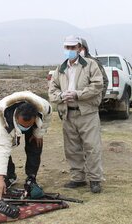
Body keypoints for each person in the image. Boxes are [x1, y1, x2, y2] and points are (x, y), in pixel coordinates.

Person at [48, 35, 104, 193]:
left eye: (73, 47)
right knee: (72, 148)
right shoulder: (61, 68)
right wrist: (60, 96)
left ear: (79, 48)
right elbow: (52, 90)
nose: (70, 50)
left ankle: (95, 179)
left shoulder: (91, 65)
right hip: (68, 113)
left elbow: (97, 85)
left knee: (92, 146)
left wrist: (78, 94)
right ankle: (77, 178)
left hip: (87, 113)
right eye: (67, 47)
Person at [0, 91, 52, 199]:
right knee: (1, 148)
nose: (25, 127)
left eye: (28, 125)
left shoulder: (43, 107)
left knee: (36, 143)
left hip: (33, 119)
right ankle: (9, 176)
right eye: (22, 125)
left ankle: (31, 177)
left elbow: (48, 116)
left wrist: (39, 133)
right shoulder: (3, 120)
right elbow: (2, 148)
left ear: (35, 117)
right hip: (5, 121)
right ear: (16, 118)